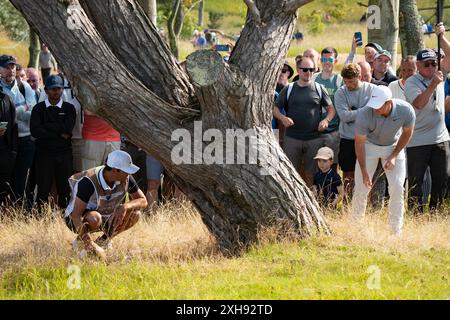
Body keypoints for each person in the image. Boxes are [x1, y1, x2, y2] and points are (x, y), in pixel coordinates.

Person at [352, 86, 415, 235]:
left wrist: (393, 156)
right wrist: (364, 171)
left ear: (389, 103)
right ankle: (355, 227)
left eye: (379, 106)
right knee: (361, 187)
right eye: (374, 106)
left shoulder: (406, 110)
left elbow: (407, 134)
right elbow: (359, 143)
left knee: (398, 188)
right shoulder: (363, 113)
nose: (375, 109)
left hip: (393, 146)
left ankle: (396, 231)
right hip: (369, 146)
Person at [64, 150, 147, 259]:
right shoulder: (88, 182)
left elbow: (143, 201)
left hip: (105, 214)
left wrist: (125, 206)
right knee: (95, 218)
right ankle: (82, 242)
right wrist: (90, 244)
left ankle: (104, 241)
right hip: (77, 219)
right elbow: (75, 216)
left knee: (135, 214)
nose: (129, 173)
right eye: (126, 170)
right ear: (114, 170)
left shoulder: (125, 178)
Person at [273, 57, 335, 186]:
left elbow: (331, 110)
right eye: (305, 69)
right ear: (298, 70)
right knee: (290, 173)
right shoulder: (289, 89)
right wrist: (283, 118)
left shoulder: (319, 88)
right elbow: (275, 109)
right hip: (292, 139)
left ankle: (312, 202)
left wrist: (326, 120)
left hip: (314, 139)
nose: (309, 72)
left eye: (312, 69)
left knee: (311, 174)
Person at [404, 47, 450, 212]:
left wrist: (442, 35)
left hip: (440, 138)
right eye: (427, 64)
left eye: (434, 64)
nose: (431, 67)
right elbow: (419, 103)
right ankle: (416, 214)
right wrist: (433, 85)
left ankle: (434, 212)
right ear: (418, 65)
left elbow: (449, 54)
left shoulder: (439, 75)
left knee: (443, 178)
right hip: (418, 140)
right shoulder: (411, 82)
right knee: (416, 181)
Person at [30, 75, 76, 208]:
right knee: (43, 189)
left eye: (59, 88)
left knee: (65, 189)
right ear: (46, 90)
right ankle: (41, 218)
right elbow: (35, 131)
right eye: (53, 89)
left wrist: (47, 127)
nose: (56, 91)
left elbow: (68, 129)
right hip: (44, 155)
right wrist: (59, 131)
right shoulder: (38, 109)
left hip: (64, 155)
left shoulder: (69, 108)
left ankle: (65, 219)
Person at [334, 63, 377, 201]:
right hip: (348, 138)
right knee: (348, 173)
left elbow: (376, 112)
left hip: (368, 139)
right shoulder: (341, 92)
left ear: (360, 77)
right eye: (345, 81)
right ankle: (348, 204)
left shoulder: (372, 89)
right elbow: (344, 116)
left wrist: (354, 113)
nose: (348, 85)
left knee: (369, 172)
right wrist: (366, 110)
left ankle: (368, 204)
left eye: (351, 81)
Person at [0, 55, 37, 204]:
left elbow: (33, 113)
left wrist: (10, 114)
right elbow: (26, 111)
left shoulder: (24, 86)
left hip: (24, 140)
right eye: (6, 67)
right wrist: (23, 108)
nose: (10, 70)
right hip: (4, 142)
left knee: (23, 179)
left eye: (13, 67)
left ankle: (22, 212)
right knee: (4, 179)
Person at [313, 47, 343, 171]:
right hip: (315, 130)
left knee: (332, 163)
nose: (326, 62)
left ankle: (332, 189)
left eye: (330, 59)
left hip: (333, 130)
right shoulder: (314, 78)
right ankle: (317, 189)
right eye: (324, 59)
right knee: (316, 163)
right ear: (320, 60)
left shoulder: (338, 80)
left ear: (335, 61)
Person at [0, 91, 18, 205]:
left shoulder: (6, 99)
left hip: (5, 153)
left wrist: (13, 152)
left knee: (3, 189)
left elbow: (14, 126)